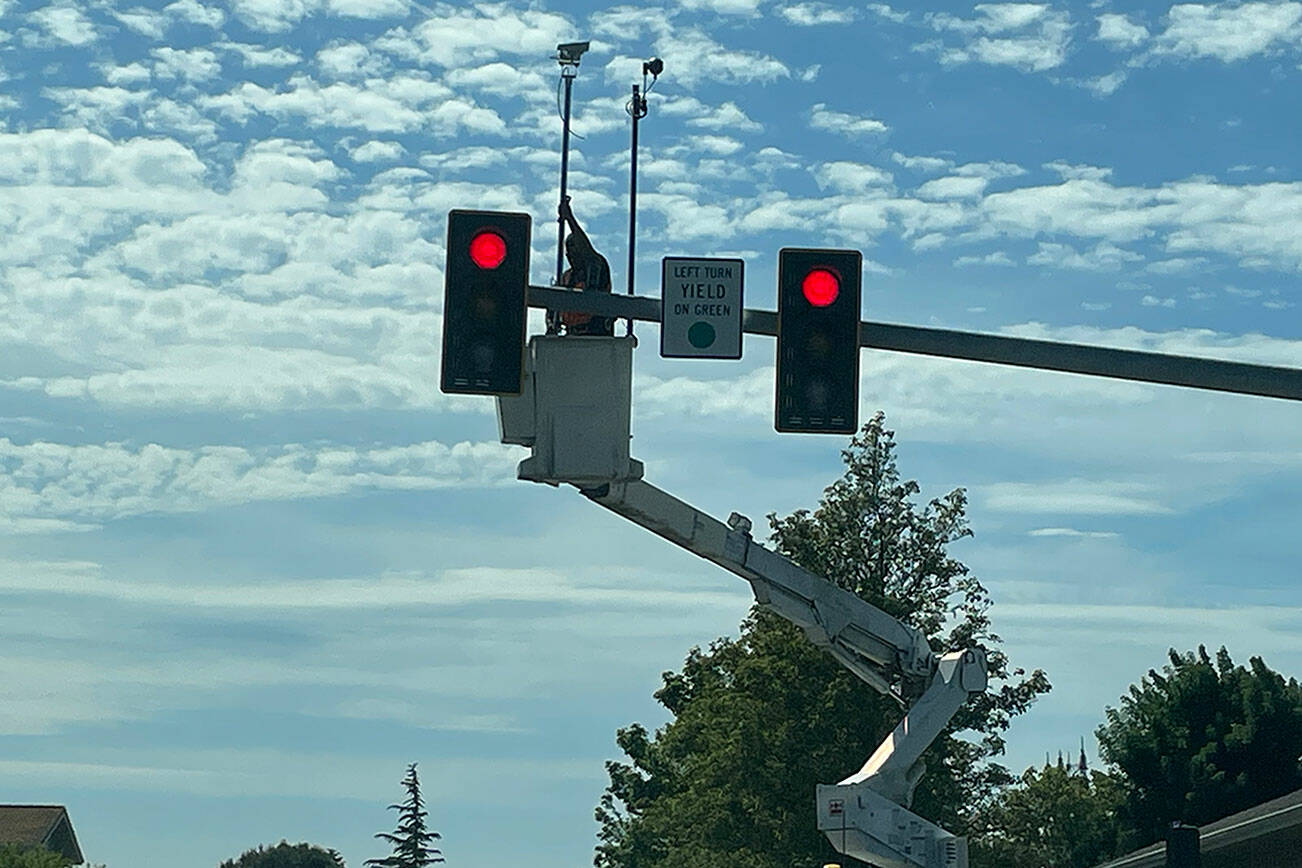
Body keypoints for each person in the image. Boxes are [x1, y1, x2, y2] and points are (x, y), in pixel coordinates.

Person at [553, 197, 615, 336]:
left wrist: (569, 218)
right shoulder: (566, 277)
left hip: (597, 336)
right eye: (569, 253)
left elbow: (587, 251)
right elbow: (554, 301)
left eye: (576, 251)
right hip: (572, 336)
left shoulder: (596, 266)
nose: (572, 257)